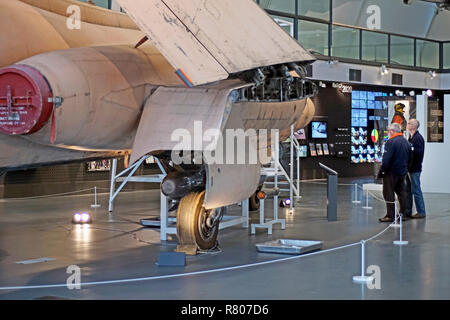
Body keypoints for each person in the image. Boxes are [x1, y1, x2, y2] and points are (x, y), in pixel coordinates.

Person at [377, 123, 411, 222]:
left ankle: (390, 215)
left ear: (392, 131)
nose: (388, 133)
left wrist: (382, 171)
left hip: (391, 172)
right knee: (402, 193)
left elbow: (386, 159)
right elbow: (410, 158)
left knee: (388, 193)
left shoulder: (390, 142)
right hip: (402, 171)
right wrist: (405, 168)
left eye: (388, 131)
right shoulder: (406, 142)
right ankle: (403, 214)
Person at [406, 119, 426, 219]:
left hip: (415, 169)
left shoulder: (417, 138)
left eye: (409, 123)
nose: (407, 124)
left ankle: (421, 212)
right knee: (410, 190)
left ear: (414, 126)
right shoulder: (411, 137)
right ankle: (408, 210)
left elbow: (417, 154)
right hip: (411, 168)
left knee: (416, 190)